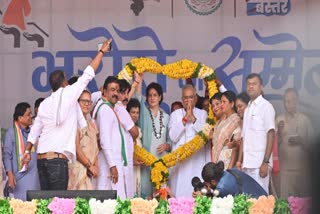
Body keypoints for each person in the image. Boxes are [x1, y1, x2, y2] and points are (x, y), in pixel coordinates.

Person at [22, 39, 112, 190]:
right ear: (64, 82)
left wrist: (26, 151)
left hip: (41, 160)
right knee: (59, 204)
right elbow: (88, 74)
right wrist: (102, 51)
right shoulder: (69, 92)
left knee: (47, 206)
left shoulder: (45, 103)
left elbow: (35, 131)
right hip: (57, 161)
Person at [169, 84, 208, 197]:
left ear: (195, 98)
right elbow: (173, 136)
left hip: (196, 161)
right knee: (179, 192)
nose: (188, 100)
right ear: (182, 100)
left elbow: (205, 136)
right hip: (179, 163)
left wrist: (194, 119)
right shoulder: (175, 114)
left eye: (191, 97)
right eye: (185, 98)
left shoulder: (202, 114)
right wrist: (185, 119)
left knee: (195, 192)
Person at [239, 73, 275, 194]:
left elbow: (271, 134)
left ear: (261, 87)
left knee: (262, 200)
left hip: (259, 164)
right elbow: (243, 138)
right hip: (247, 164)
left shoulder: (266, 107)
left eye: (254, 84)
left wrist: (265, 162)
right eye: (248, 84)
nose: (251, 87)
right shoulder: (247, 109)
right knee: (249, 200)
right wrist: (241, 162)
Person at [135, 77, 170, 198]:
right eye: (149, 95)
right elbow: (137, 99)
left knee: (161, 196)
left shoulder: (166, 117)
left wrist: (166, 145)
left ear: (160, 97)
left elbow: (170, 141)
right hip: (146, 162)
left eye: (155, 95)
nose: (152, 98)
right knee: (145, 195)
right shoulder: (143, 113)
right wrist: (138, 81)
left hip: (161, 163)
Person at [276, 88, 314, 198]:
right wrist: (279, 132)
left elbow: (313, 146)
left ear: (296, 101)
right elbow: (273, 145)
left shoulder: (305, 120)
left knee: (303, 203)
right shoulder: (279, 120)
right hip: (285, 171)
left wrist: (301, 141)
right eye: (285, 101)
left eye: (289, 101)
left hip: (302, 170)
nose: (286, 104)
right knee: (286, 203)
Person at [3, 103, 40, 200]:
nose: (31, 116)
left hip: (34, 177)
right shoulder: (11, 133)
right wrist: (10, 175)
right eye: (28, 114)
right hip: (19, 178)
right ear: (20, 118)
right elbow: (7, 156)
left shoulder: (33, 133)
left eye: (31, 113)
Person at [68, 90, 99, 190]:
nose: (87, 104)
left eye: (89, 102)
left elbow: (96, 149)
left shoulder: (91, 125)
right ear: (77, 103)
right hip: (78, 170)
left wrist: (95, 167)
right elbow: (76, 148)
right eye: (83, 101)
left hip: (90, 172)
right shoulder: (74, 122)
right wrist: (89, 166)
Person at [196, 161, 267, 198]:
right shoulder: (230, 171)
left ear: (213, 182)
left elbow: (215, 205)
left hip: (260, 208)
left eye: (207, 184)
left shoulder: (222, 187)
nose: (207, 186)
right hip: (263, 197)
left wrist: (202, 197)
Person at [211, 91, 241, 169]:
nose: (221, 105)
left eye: (224, 102)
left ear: (232, 104)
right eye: (221, 102)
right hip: (218, 162)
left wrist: (230, 168)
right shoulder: (220, 122)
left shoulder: (236, 120)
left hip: (229, 163)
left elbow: (236, 145)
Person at [126, 98, 143, 197]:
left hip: (137, 168)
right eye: (133, 112)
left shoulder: (139, 130)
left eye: (137, 112)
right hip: (128, 167)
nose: (135, 115)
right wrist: (132, 161)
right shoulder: (125, 130)